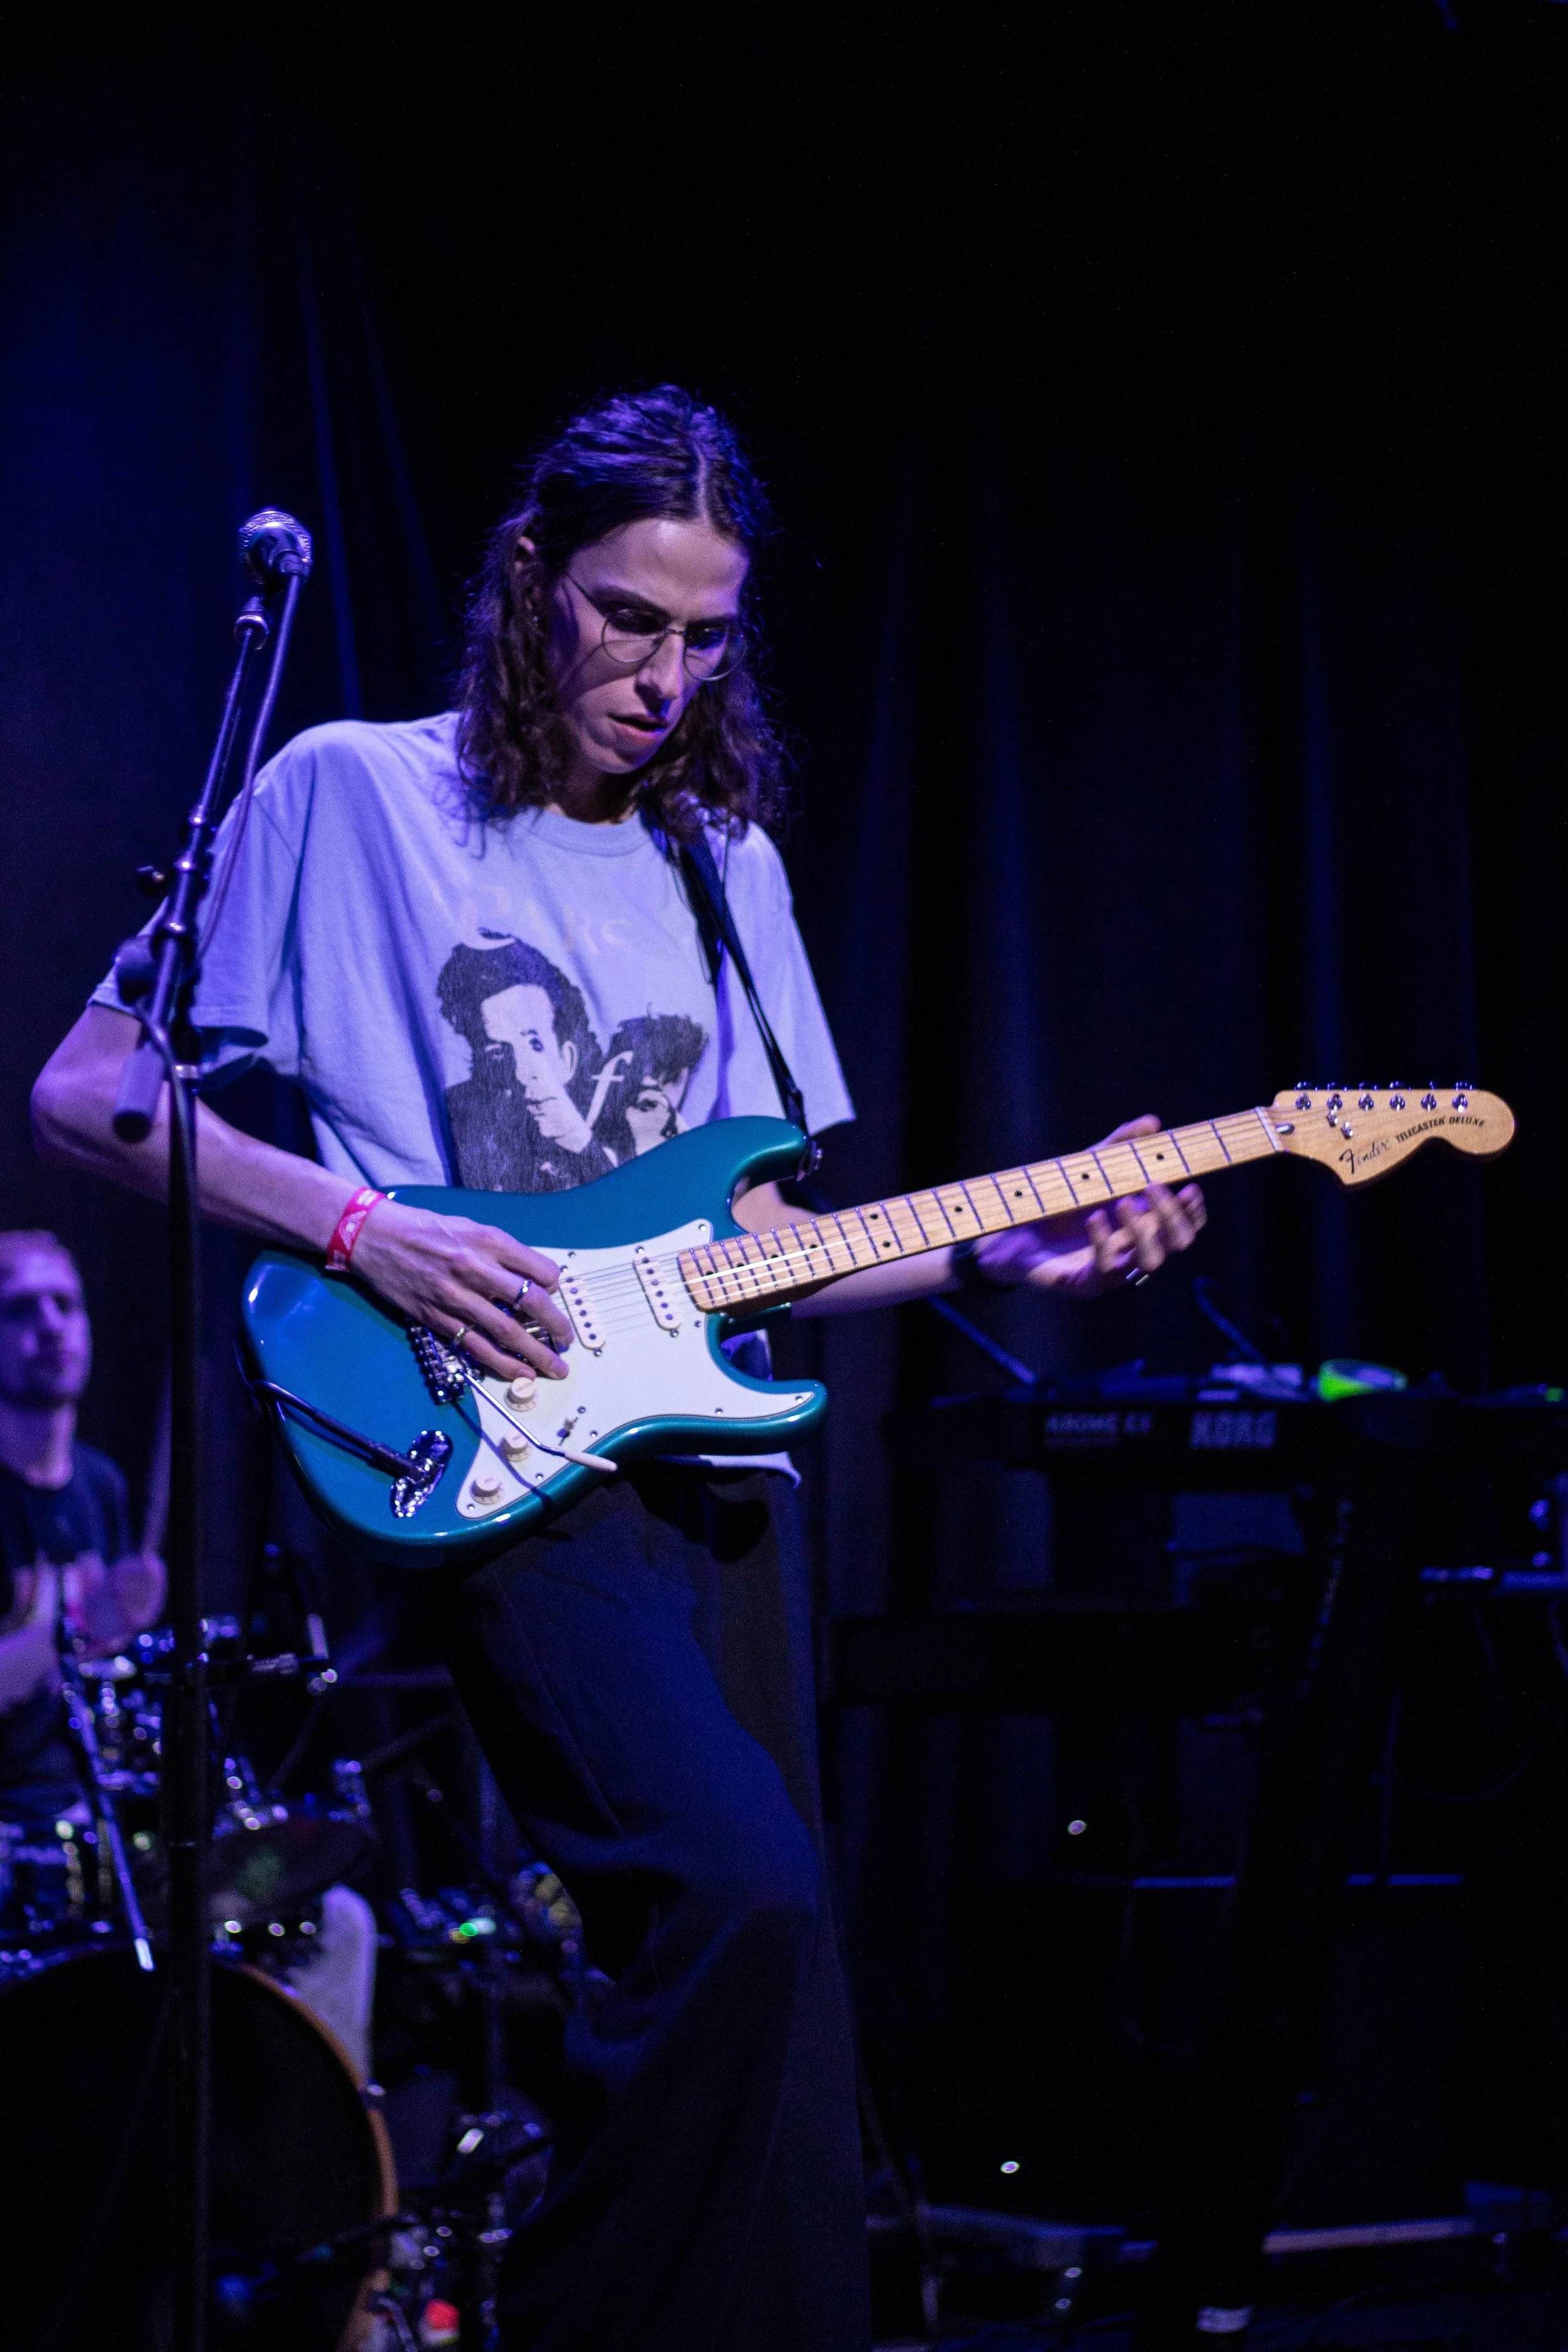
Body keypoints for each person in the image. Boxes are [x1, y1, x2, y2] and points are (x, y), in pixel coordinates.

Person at [33, 385, 1205, 2351]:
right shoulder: (351, 794)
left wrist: (1004, 1240)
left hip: (711, 1471)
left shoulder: (715, 862)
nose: (664, 676)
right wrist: (363, 1223)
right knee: (730, 1890)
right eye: (622, 618)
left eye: (707, 634)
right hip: (483, 1443)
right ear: (527, 580)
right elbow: (88, 1090)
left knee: (785, 2012)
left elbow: (744, 1246)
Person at [0, 1231, 165, 1827]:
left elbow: (104, 1665)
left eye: (65, 1304)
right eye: (20, 1308)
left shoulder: (100, 1482)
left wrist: (125, 1625)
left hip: (93, 1808)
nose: (50, 1325)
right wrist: (84, 1622)